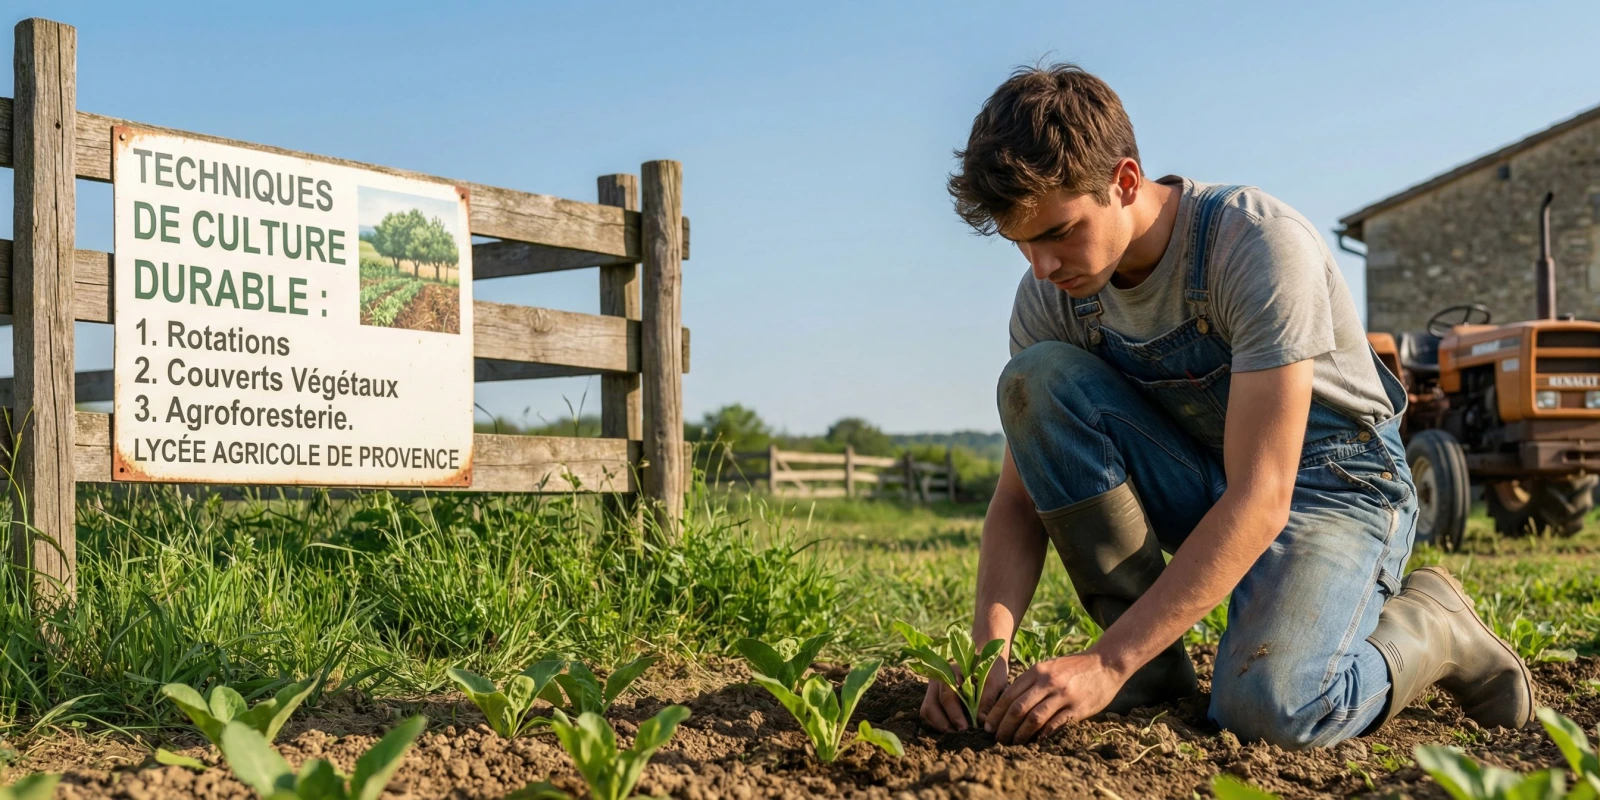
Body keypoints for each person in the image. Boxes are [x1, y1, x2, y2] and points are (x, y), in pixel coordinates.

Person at [920, 63, 1534, 750]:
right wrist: (985, 658)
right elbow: (1019, 499)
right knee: (1031, 381)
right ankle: (1148, 674)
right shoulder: (1050, 296)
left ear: (1124, 182)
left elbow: (1263, 495)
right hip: (1206, 476)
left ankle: (1433, 625)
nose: (1041, 266)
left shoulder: (1256, 246)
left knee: (1271, 711)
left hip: (1332, 486)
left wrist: (1103, 660)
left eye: (1059, 231)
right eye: (1022, 243)